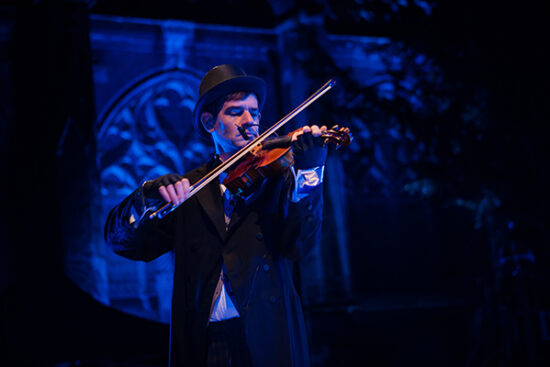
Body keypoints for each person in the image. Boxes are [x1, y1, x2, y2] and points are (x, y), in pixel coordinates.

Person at [105, 64, 327, 367]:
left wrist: (311, 172)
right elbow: (124, 244)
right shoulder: (189, 189)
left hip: (270, 335)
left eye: (255, 112)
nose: (250, 121)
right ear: (209, 121)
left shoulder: (279, 177)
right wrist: (147, 195)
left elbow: (300, 244)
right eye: (236, 112)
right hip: (207, 342)